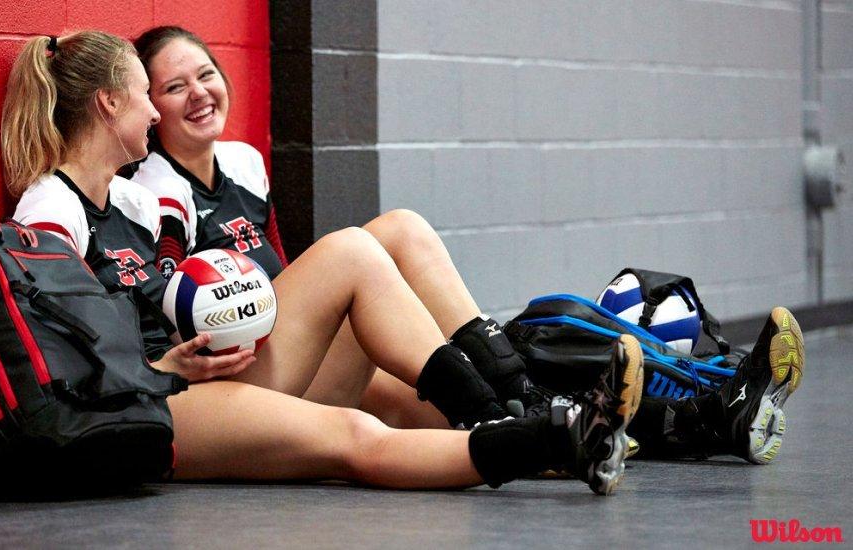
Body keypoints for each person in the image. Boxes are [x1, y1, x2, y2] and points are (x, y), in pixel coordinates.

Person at [0, 30, 645, 495]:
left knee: (365, 258)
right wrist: (164, 364)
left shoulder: (136, 202)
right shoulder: (49, 209)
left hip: (205, 378)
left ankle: (539, 422)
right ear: (110, 104)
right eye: (149, 93)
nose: (153, 109)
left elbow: (169, 298)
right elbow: (63, 365)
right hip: (154, 404)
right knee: (355, 434)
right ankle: (545, 433)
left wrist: (215, 327)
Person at [128, 26, 806, 467]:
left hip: (302, 366)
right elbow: (173, 317)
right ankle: (535, 407)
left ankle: (705, 418)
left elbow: (277, 279)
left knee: (410, 255)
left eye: (206, 73)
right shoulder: (155, 196)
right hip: (247, 388)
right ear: (150, 108)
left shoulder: (245, 165)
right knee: (364, 255)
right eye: (174, 85)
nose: (198, 93)